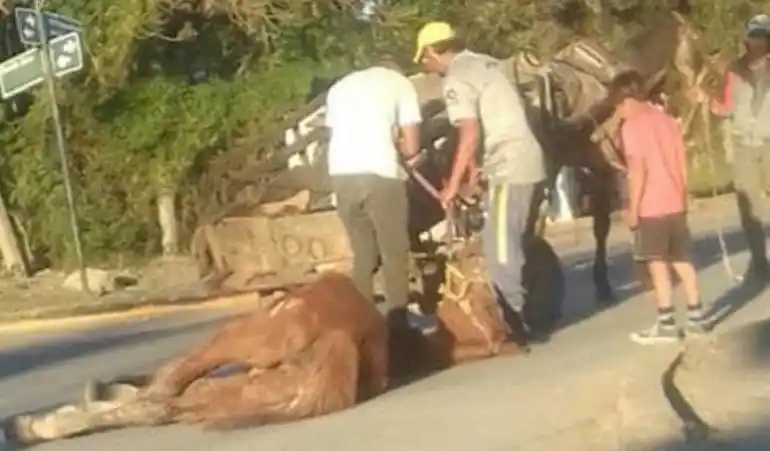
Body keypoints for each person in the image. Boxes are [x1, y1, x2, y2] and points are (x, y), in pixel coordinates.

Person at [412, 21, 547, 345]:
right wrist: (473, 169)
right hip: (526, 157)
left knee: (500, 247)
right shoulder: (486, 62)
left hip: (508, 165)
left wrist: (451, 186)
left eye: (424, 60)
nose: (427, 67)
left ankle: (515, 321)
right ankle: (529, 310)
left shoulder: (456, 78)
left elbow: (469, 132)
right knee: (514, 240)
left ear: (432, 52)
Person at [324, 58, 439, 335]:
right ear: (394, 69)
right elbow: (411, 146)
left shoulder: (340, 87)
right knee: (394, 252)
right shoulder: (400, 84)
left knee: (364, 254)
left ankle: (361, 322)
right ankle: (398, 323)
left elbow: (335, 133)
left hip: (341, 174)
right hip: (381, 173)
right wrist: (406, 150)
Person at [610, 70, 709, 345]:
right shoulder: (667, 121)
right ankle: (697, 317)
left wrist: (633, 208)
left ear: (627, 100)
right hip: (674, 200)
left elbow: (638, 171)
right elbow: (681, 163)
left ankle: (666, 323)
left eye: (617, 106)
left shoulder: (632, 127)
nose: (618, 112)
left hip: (651, 205)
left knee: (657, 264)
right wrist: (683, 196)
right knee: (683, 261)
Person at [709, 14, 770, 283]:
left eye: (763, 36)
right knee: (749, 208)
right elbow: (726, 107)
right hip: (744, 143)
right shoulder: (734, 70)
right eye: (754, 36)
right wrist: (709, 104)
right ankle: (759, 262)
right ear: (747, 39)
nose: (758, 41)